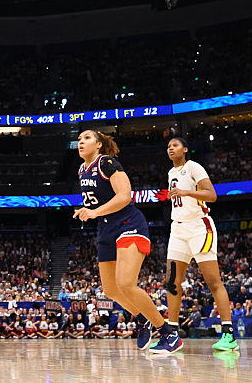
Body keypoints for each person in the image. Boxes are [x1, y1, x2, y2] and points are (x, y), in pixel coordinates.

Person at [72, 130, 182, 355]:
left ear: (99, 144)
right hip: (106, 229)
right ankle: (143, 318)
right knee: (111, 290)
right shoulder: (82, 169)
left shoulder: (107, 163)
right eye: (80, 139)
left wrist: (93, 212)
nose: (81, 142)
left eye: (87, 138)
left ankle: (169, 334)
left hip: (128, 223)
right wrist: (92, 213)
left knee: (126, 284)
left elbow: (125, 196)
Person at [162, 137, 239, 352]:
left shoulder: (193, 166)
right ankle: (173, 334)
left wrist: (186, 192)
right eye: (168, 146)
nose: (171, 148)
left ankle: (228, 334)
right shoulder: (171, 173)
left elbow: (211, 195)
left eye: (175, 145)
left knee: (213, 281)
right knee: (172, 282)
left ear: (185, 149)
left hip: (199, 227)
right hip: (177, 228)